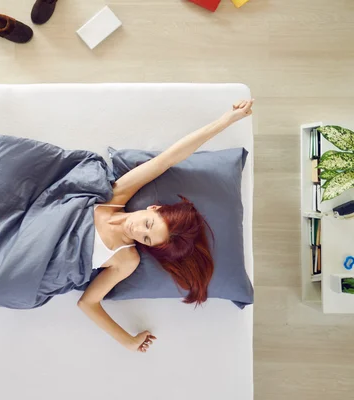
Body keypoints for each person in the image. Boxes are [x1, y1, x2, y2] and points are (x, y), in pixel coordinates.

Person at [78, 99, 254, 353]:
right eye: (148, 224)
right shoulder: (118, 196)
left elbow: (88, 303)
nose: (138, 232)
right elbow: (167, 160)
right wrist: (227, 120)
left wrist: (128, 341)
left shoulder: (126, 260)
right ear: (154, 208)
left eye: (147, 239)